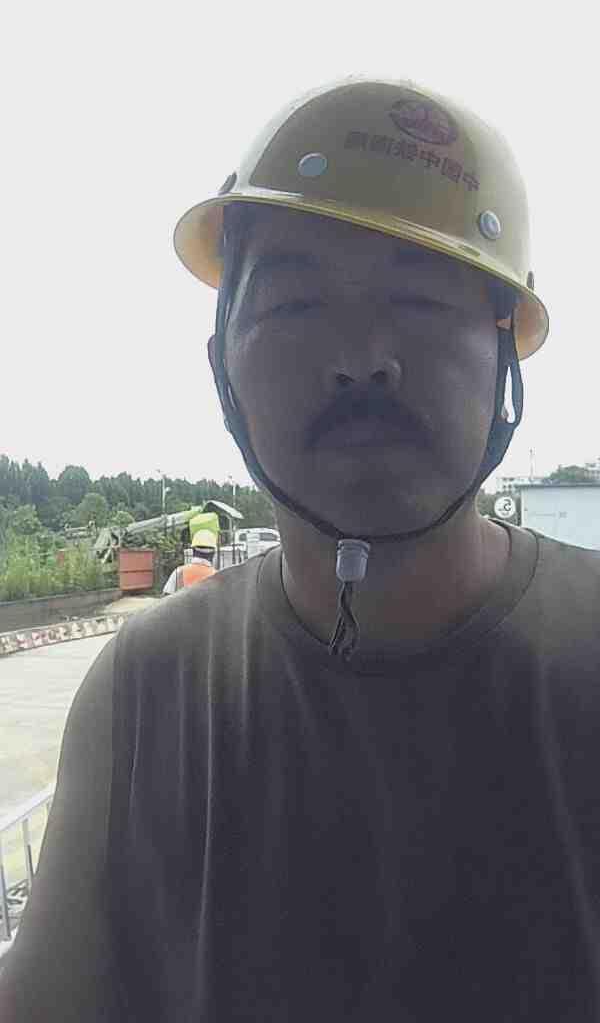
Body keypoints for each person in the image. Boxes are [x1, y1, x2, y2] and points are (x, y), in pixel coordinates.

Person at [2, 77, 600, 1022]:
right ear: (221, 366)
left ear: (504, 360)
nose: (363, 359)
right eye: (295, 306)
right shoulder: (146, 694)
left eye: (420, 301)